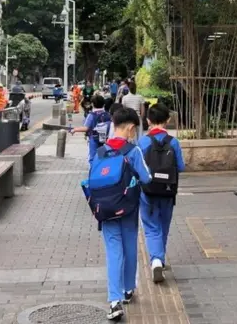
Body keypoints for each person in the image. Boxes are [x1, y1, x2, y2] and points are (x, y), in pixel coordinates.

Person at [93, 107, 152, 320]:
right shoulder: (133, 151)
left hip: (106, 210)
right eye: (134, 130)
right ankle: (128, 289)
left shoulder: (100, 151)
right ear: (130, 128)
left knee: (113, 251)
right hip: (127, 209)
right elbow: (146, 178)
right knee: (129, 248)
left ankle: (114, 300)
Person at [138, 103, 185, 283]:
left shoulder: (143, 141)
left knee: (151, 227)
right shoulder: (173, 142)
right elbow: (180, 167)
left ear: (148, 120)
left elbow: (137, 167)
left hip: (147, 191)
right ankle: (160, 259)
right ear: (168, 119)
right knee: (163, 225)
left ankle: (156, 260)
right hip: (167, 190)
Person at [70, 95, 111, 163]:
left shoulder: (91, 115)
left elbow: (86, 128)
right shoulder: (107, 114)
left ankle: (93, 171)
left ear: (92, 104)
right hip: (105, 139)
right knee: (103, 157)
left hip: (93, 139)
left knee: (93, 157)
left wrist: (74, 130)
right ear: (103, 104)